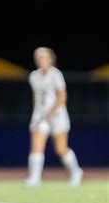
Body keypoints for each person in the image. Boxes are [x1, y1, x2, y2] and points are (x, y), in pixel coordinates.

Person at [24, 47, 83, 186]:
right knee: (36, 147)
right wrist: (38, 114)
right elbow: (36, 98)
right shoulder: (33, 76)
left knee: (61, 149)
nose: (42, 60)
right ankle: (35, 178)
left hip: (58, 116)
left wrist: (51, 112)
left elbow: (62, 97)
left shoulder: (56, 75)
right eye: (39, 57)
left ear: (51, 59)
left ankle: (76, 172)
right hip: (41, 116)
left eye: (44, 57)